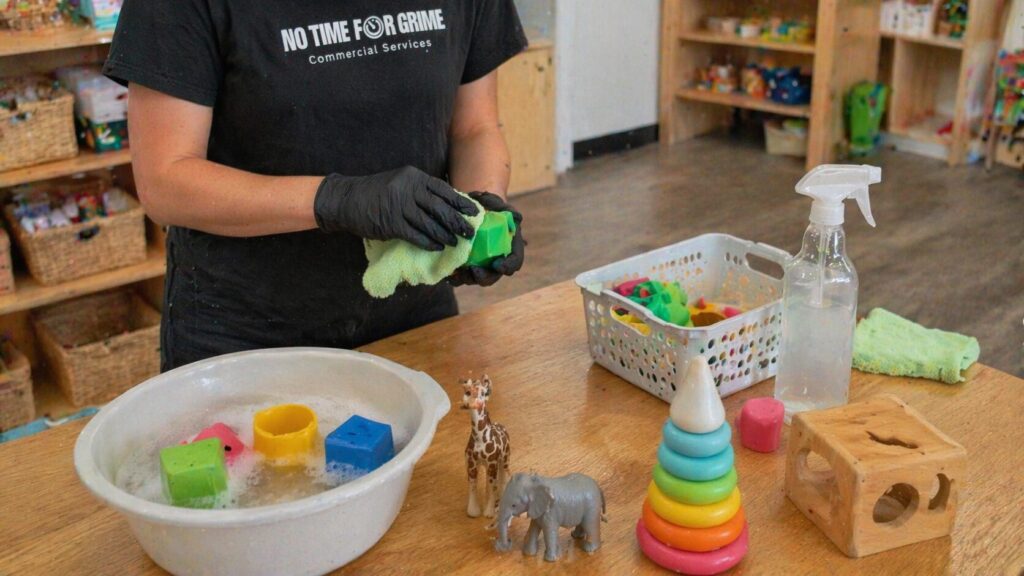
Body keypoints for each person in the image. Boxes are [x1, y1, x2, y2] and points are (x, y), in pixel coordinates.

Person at [103, 0, 528, 370]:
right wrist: (335, 199)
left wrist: (478, 214)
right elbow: (165, 180)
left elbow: (475, 127)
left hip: (413, 312)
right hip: (246, 333)